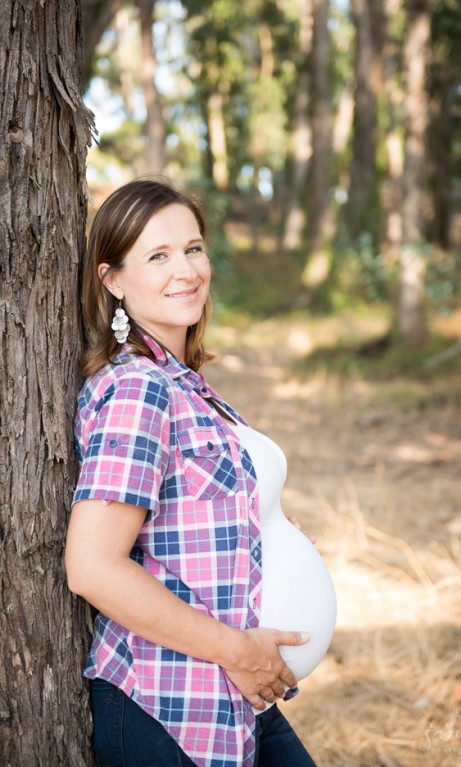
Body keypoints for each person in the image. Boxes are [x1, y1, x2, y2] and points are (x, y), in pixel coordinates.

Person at [65, 179, 320, 767]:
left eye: (193, 248)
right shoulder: (137, 389)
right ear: (113, 281)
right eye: (157, 256)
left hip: (234, 694)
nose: (186, 270)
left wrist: (273, 540)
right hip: (168, 704)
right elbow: (93, 567)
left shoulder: (189, 387)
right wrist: (238, 650)